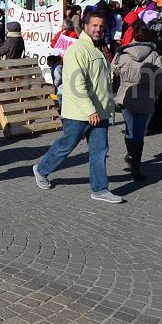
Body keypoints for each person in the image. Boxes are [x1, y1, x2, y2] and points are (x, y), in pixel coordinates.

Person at [32, 11, 122, 203]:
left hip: (100, 111)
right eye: (94, 26)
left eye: (101, 26)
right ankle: (41, 169)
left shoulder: (98, 48)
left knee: (100, 151)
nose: (98, 29)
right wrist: (89, 109)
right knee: (66, 146)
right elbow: (77, 84)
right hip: (80, 112)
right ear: (86, 26)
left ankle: (100, 189)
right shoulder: (77, 49)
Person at [112, 21, 162, 182]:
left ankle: (130, 155)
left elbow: (113, 70)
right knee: (139, 133)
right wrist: (155, 94)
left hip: (126, 94)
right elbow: (160, 78)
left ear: (133, 35)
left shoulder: (123, 53)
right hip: (145, 95)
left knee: (130, 128)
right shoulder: (153, 54)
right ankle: (136, 168)